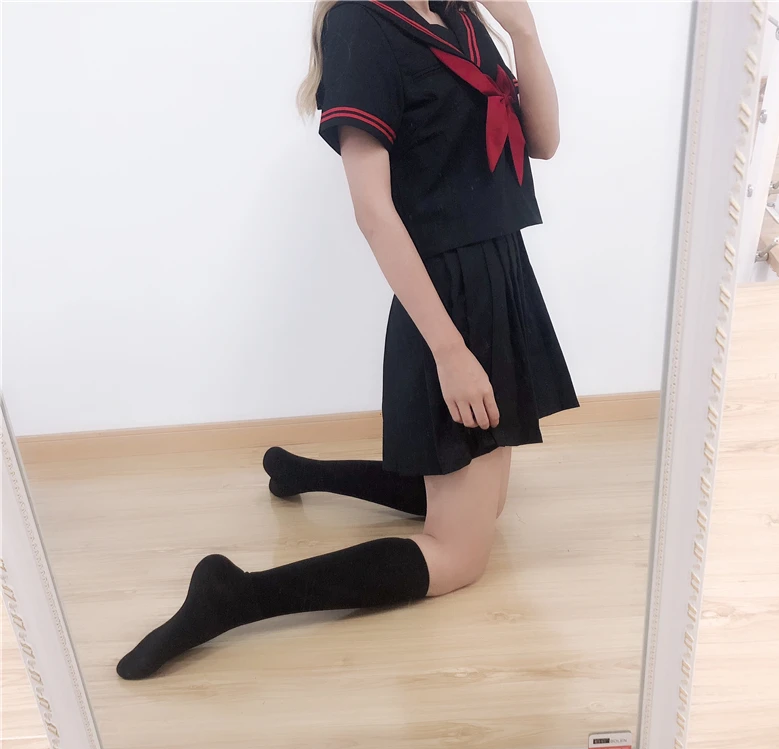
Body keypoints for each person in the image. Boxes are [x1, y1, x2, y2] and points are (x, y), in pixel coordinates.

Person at [117, 0, 578, 681]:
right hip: (448, 297)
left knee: (490, 506)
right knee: (460, 556)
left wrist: (525, 31)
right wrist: (450, 351)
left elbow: (543, 140)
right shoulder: (360, 26)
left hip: (500, 270)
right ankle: (234, 596)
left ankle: (305, 474)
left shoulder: (458, 14)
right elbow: (373, 211)